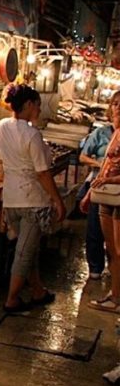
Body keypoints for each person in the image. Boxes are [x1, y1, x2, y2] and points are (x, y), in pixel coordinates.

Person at [0, 84, 65, 313]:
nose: (40, 110)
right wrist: (57, 200)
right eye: (38, 105)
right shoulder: (32, 134)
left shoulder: (1, 126)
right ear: (29, 105)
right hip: (32, 201)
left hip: (11, 199)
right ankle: (12, 299)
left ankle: (38, 291)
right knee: (24, 252)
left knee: (27, 248)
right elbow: (42, 173)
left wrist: (14, 166)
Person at [81, 90, 120, 314]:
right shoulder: (111, 133)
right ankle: (114, 294)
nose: (118, 108)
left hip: (116, 195)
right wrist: (89, 193)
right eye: (115, 103)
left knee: (118, 250)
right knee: (112, 250)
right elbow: (104, 164)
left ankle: (116, 298)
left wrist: (111, 179)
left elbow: (109, 171)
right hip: (106, 195)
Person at [77, 122, 114, 280]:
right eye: (116, 104)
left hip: (115, 186)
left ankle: (114, 266)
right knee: (95, 227)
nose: (118, 108)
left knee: (115, 232)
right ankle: (95, 267)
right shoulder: (101, 132)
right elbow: (83, 156)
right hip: (99, 186)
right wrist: (101, 164)